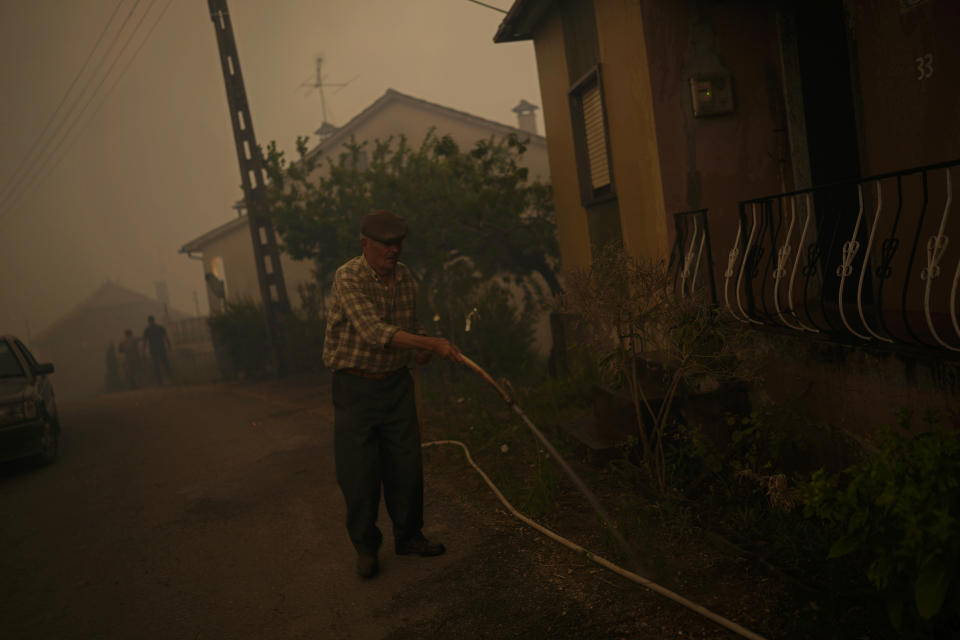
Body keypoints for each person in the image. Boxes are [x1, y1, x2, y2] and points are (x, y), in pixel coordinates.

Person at [323, 209, 463, 579]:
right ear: (365, 244)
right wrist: (430, 343)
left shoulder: (405, 279)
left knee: (406, 464)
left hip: (396, 385)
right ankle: (366, 548)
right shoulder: (348, 277)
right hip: (354, 387)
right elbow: (374, 332)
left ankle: (410, 536)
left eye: (398, 243)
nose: (395, 250)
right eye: (387, 244)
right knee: (359, 473)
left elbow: (407, 328)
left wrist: (423, 350)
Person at [142, 315, 173, 384]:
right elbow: (166, 338)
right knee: (164, 364)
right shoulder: (159, 328)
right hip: (160, 349)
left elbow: (145, 341)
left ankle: (161, 381)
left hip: (155, 349)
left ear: (149, 321)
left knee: (158, 366)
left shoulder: (148, 330)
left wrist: (143, 351)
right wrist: (169, 346)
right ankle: (169, 379)